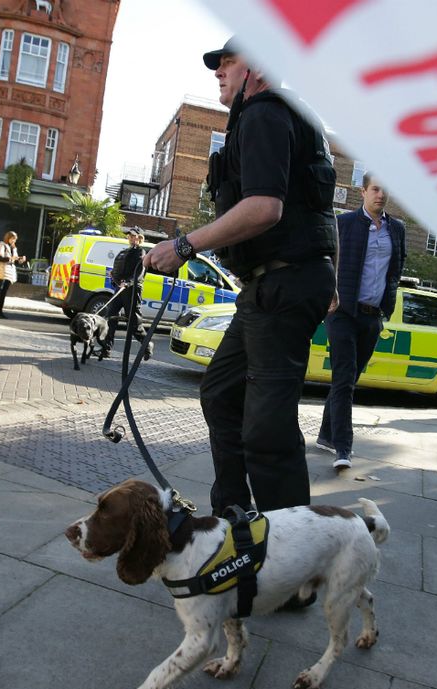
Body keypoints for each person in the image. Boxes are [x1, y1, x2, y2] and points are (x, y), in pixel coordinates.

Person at [144, 36, 337, 519]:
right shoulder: (277, 116)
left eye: (228, 63)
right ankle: (234, 513)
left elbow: (265, 208)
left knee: (267, 429)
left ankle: (292, 557)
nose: (218, 72)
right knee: (221, 392)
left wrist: (185, 245)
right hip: (270, 286)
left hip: (283, 286)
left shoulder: (266, 113)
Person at [315, 172, 405, 470]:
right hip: (342, 313)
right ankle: (343, 448)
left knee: (348, 380)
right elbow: (324, 259)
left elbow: (395, 272)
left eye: (385, 189)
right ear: (363, 191)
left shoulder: (397, 230)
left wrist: (386, 307)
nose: (381, 194)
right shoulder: (344, 224)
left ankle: (326, 435)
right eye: (375, 189)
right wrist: (327, 292)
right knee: (344, 379)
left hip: (372, 316)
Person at [104, 228, 150, 361]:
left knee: (134, 322)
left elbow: (140, 272)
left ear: (140, 238)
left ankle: (147, 346)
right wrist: (113, 275)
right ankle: (106, 348)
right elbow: (121, 269)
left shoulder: (141, 252)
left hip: (131, 290)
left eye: (134, 236)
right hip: (119, 288)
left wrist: (129, 283)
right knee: (110, 316)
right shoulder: (125, 252)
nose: (131, 238)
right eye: (129, 236)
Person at [0, 230, 23, 318]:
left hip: (10, 270)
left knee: (4, 291)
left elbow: (14, 259)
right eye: (12, 239)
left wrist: (20, 259)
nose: (14, 241)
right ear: (8, 238)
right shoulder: (2, 245)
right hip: (2, 268)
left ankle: (0, 311)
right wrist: (10, 258)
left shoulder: (14, 248)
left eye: (15, 239)